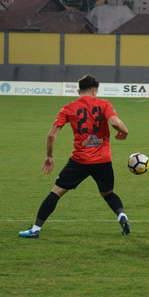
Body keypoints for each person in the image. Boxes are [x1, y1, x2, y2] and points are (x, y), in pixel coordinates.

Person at [18, 75, 131, 238]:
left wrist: (49, 156)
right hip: (103, 160)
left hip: (80, 160)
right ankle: (121, 215)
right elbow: (114, 122)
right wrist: (124, 132)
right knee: (108, 194)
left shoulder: (69, 108)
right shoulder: (104, 104)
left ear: (78, 91)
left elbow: (51, 135)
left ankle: (35, 229)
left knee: (56, 192)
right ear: (95, 90)